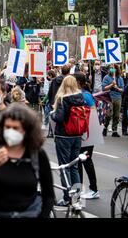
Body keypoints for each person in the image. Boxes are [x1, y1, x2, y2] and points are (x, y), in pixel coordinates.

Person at [0, 103, 55, 218]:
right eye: (7, 127)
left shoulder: (36, 154)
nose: (10, 131)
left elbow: (48, 194)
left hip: (29, 213)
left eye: (15, 128)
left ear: (26, 130)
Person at [50, 76, 86, 206]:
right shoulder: (80, 98)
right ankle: (76, 196)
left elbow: (59, 118)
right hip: (77, 135)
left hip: (64, 136)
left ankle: (67, 198)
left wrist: (52, 114)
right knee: (74, 167)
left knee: (64, 167)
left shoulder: (62, 99)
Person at [74, 73, 100, 200]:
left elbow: (93, 113)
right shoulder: (79, 94)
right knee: (79, 160)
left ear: (78, 82)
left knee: (86, 160)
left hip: (87, 132)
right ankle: (79, 189)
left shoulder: (86, 95)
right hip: (80, 131)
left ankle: (94, 189)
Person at [102, 64, 124, 137]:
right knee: (108, 115)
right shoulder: (106, 77)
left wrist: (117, 88)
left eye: (113, 68)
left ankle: (114, 130)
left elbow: (122, 90)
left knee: (116, 115)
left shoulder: (120, 78)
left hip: (117, 98)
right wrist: (111, 85)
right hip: (109, 98)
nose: (111, 69)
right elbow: (104, 88)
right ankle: (105, 127)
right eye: (110, 68)